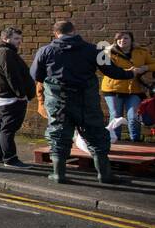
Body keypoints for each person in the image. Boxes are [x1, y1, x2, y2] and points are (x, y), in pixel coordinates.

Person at [29, 20, 149, 184]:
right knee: (96, 136)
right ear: (74, 31)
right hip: (86, 102)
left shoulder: (45, 51)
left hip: (59, 103)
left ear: (55, 33)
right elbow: (113, 72)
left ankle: (59, 174)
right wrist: (131, 73)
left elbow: (36, 75)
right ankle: (104, 175)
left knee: (58, 135)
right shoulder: (95, 49)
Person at [0, 26, 34, 166]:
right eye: (15, 39)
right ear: (5, 38)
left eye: (20, 38)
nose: (19, 41)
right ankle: (10, 159)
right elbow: (12, 76)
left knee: (0, 125)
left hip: (2, 96)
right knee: (8, 128)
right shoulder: (6, 53)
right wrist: (21, 95)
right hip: (10, 97)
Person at [99, 30, 154, 142]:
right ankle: (114, 141)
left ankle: (136, 141)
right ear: (115, 41)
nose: (122, 40)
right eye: (119, 38)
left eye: (126, 38)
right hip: (113, 89)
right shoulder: (108, 52)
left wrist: (145, 68)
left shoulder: (141, 52)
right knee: (116, 117)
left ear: (131, 40)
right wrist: (125, 72)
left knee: (133, 117)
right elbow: (102, 70)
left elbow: (153, 64)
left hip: (134, 90)